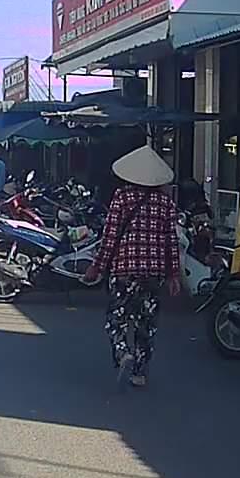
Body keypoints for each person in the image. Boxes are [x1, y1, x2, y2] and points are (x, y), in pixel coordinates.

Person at [82, 146, 182, 389]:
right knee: (146, 323)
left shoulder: (122, 197)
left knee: (116, 317)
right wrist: (173, 275)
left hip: (124, 270)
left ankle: (122, 351)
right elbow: (171, 241)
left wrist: (96, 267)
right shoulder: (165, 203)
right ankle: (139, 372)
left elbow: (110, 236)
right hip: (154, 272)